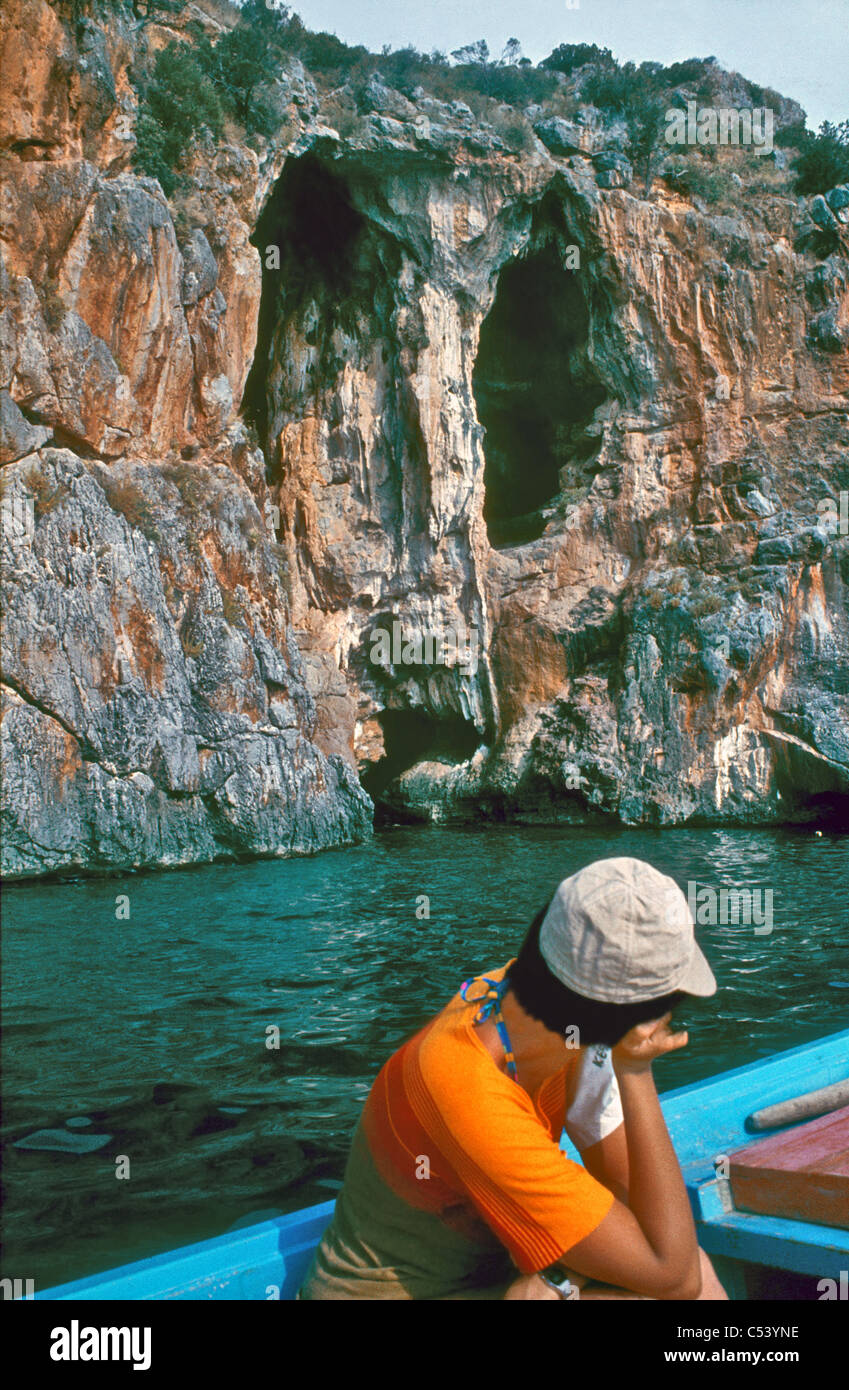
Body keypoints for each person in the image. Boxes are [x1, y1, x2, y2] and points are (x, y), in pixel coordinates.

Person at [298, 856, 729, 1300]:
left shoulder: (539, 1013)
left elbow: (640, 1216)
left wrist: (558, 1277)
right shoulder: (468, 1089)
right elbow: (673, 1278)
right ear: (635, 1019)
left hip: (487, 1277)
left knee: (678, 1262)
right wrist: (636, 1071)